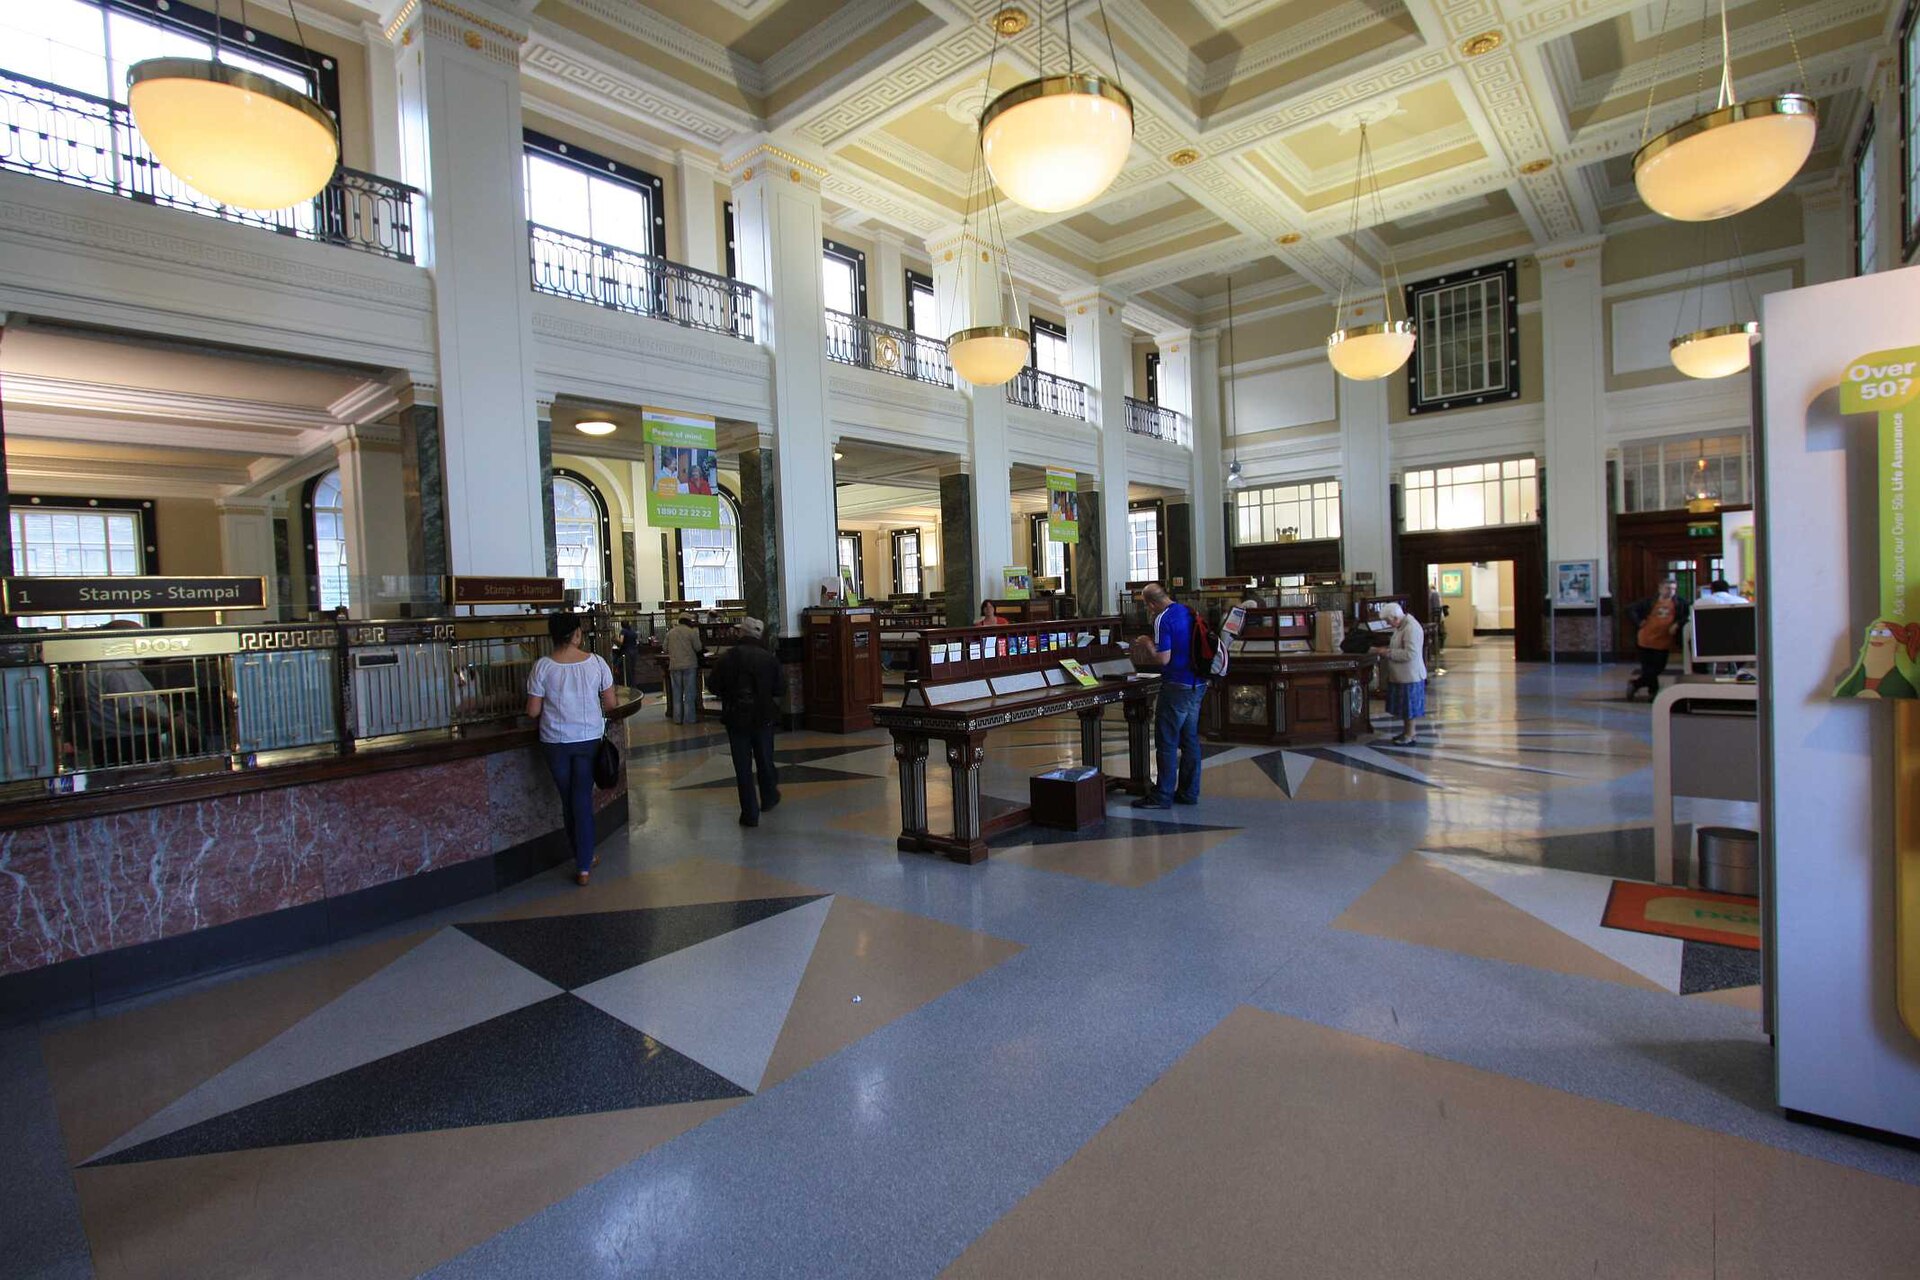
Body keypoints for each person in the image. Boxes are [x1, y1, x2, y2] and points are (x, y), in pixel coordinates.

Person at [526, 612, 617, 886]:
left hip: (555, 742)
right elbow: (611, 704)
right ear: (577, 634)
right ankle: (584, 864)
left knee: (568, 801)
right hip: (588, 739)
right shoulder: (597, 663)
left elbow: (532, 711)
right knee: (582, 800)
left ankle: (583, 855)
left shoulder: (542, 667)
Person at [1130, 581, 1206, 809]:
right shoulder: (1187, 611)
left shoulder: (1163, 619)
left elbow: (1163, 658)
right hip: (1197, 683)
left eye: (1147, 605)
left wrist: (1146, 643)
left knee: (1167, 741)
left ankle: (1162, 795)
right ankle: (1189, 792)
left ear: (1151, 603)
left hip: (1176, 686)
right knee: (1190, 740)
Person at [706, 615, 782, 826]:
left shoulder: (728, 658)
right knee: (765, 759)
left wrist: (729, 694)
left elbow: (712, 686)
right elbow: (780, 688)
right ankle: (768, 797)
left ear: (743, 633)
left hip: (736, 718)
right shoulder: (769, 658)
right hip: (763, 717)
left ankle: (749, 813)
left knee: (742, 767)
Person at [84, 619, 184, 767]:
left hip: (111, 742)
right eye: (139, 637)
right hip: (132, 744)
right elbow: (134, 712)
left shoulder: (97, 664)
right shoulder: (119, 667)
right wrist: (172, 723)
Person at [1625, 580, 1689, 700]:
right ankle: (1653, 692)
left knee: (1658, 667)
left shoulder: (1680, 603)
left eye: (1673, 589)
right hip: (1645, 639)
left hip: (1663, 641)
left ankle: (1635, 684)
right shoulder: (1650, 601)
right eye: (1668, 588)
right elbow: (1630, 609)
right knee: (1647, 668)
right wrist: (1639, 622)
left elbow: (1687, 615)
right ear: (1660, 588)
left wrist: (1678, 624)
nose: (1671, 591)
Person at [1378, 602, 1427, 745]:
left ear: (1395, 617)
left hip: (1410, 675)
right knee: (1405, 707)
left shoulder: (1411, 628)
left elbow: (1410, 653)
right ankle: (1407, 732)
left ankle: (1410, 734)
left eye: (1388, 621)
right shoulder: (1401, 626)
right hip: (1402, 675)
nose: (1388, 624)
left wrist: (1388, 653)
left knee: (1409, 707)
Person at [665, 614, 704, 724]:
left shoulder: (670, 633)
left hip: (674, 666)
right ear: (688, 621)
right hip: (689, 665)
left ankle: (677, 719)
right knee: (689, 693)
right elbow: (698, 647)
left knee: (676, 693)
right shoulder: (692, 632)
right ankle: (689, 718)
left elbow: (664, 648)